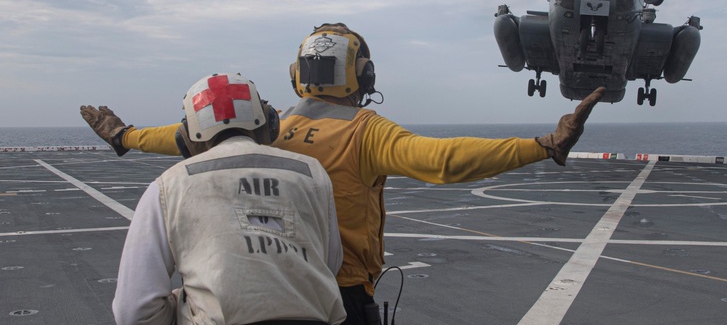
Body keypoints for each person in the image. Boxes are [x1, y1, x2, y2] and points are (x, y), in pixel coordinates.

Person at [83, 24, 604, 325]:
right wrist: (542, 146)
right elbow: (444, 160)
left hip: (261, 293)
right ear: (365, 75)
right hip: (340, 299)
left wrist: (124, 136)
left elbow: (179, 140)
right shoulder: (366, 132)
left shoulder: (266, 129)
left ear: (296, 76)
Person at [95, 73, 347, 325]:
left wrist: (188, 301)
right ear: (269, 122)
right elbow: (330, 264)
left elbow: (134, 312)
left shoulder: (169, 185)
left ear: (187, 137)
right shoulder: (312, 172)